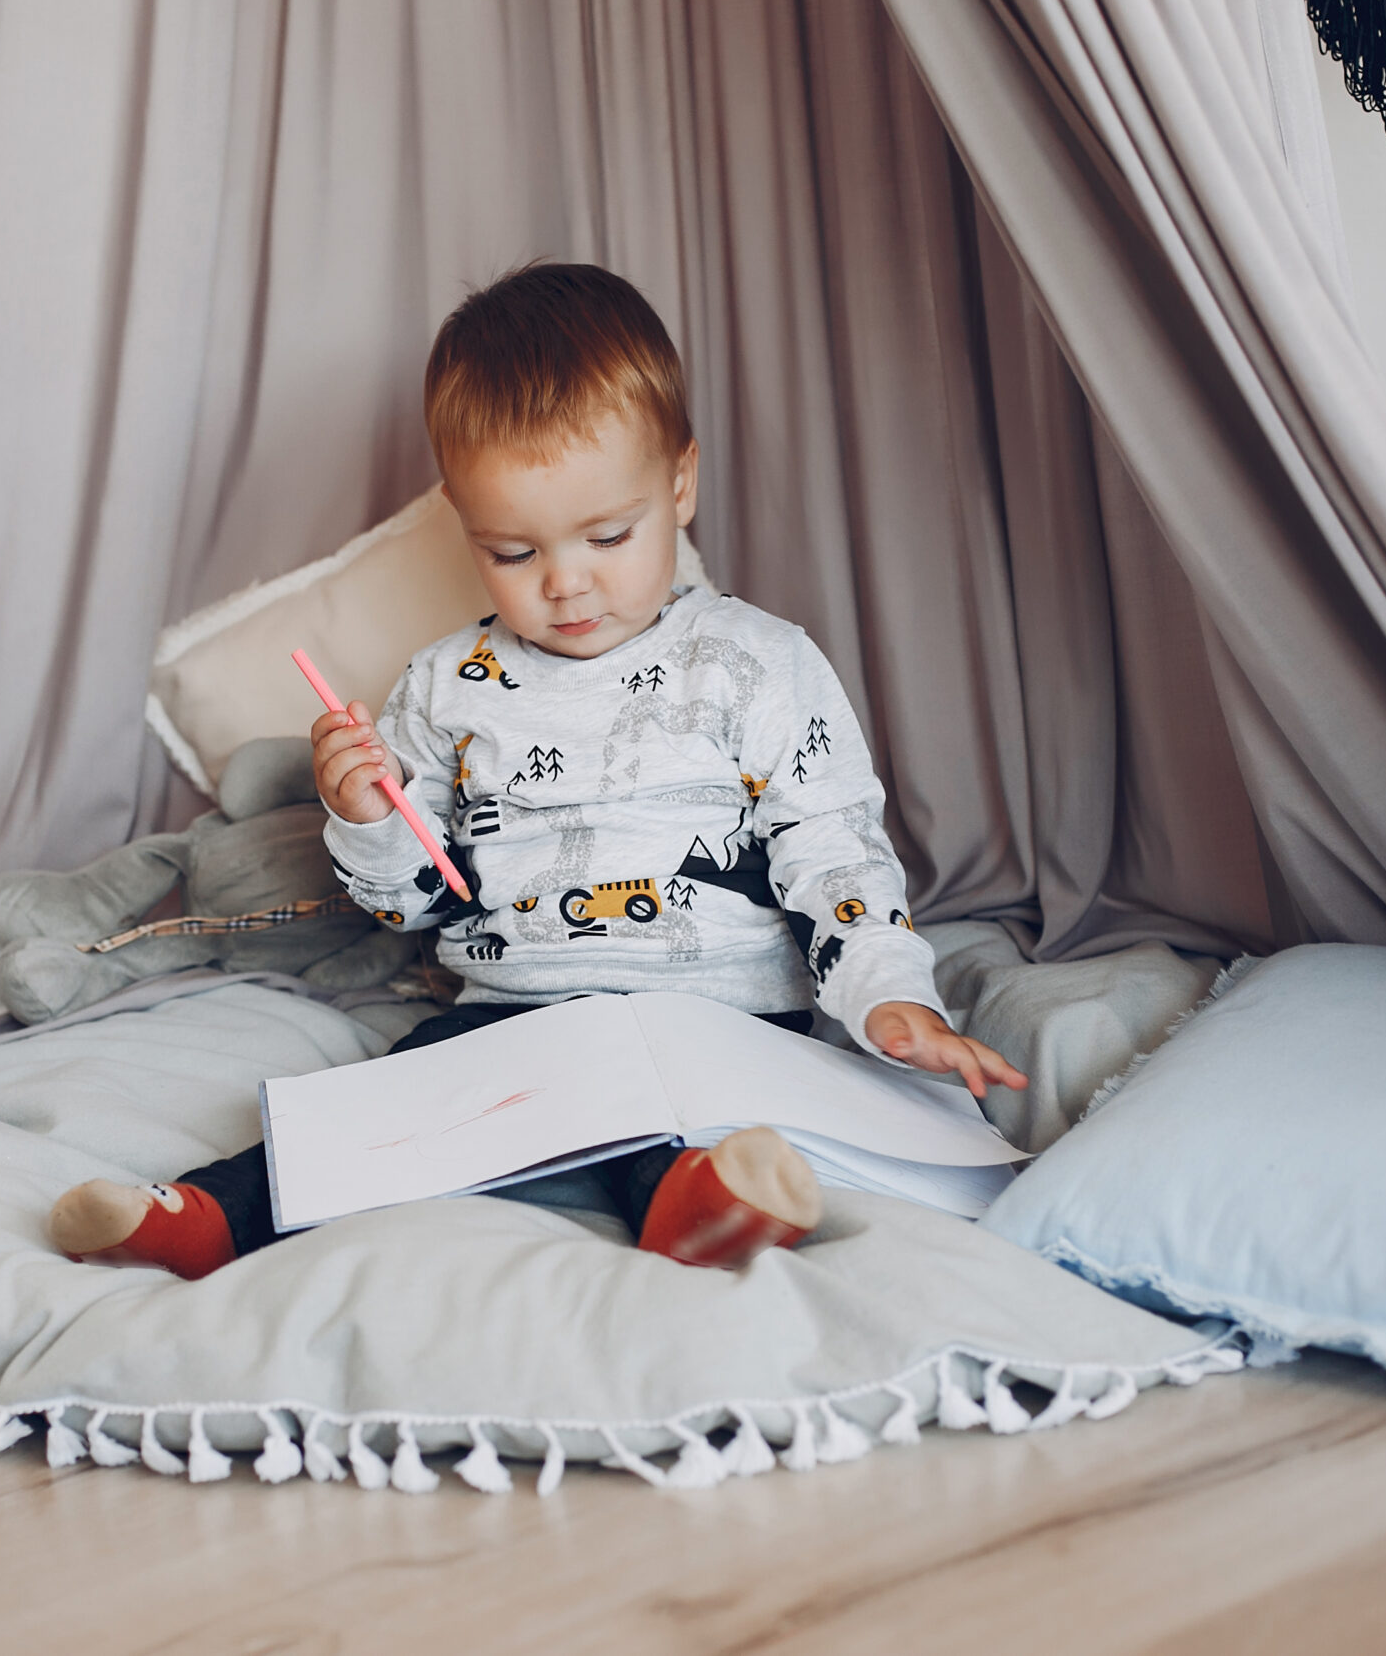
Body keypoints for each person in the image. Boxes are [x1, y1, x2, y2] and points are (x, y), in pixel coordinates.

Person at [52, 262, 1023, 1279]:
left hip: (713, 1020)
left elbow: (834, 852)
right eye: (511, 553)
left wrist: (887, 997)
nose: (565, 584)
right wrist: (366, 815)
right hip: (508, 1016)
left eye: (608, 536)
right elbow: (413, 902)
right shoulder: (444, 688)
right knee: (387, 1107)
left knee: (668, 1115)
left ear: (680, 483)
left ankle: (706, 1204)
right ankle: (205, 1215)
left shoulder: (760, 663)